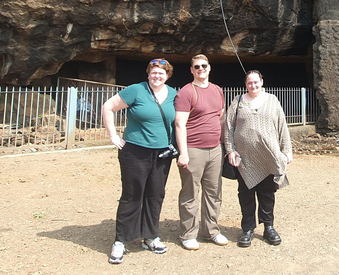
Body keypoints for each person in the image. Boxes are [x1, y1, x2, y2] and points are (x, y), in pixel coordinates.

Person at [102, 59, 178, 264]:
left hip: (162, 153)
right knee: (132, 195)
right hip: (135, 151)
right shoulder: (136, 90)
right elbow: (108, 107)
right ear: (148, 74)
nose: (157, 76)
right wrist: (113, 135)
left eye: (161, 73)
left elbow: (181, 122)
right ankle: (121, 240)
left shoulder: (173, 94)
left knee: (155, 195)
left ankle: (151, 236)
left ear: (168, 75)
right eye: (154, 73)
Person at [225, 70, 292, 248]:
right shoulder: (237, 102)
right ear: (245, 84)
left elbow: (282, 126)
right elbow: (228, 128)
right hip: (245, 159)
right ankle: (247, 229)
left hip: (268, 157)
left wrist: (287, 151)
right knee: (245, 194)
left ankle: (268, 227)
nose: (253, 85)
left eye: (256, 82)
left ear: (262, 81)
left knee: (267, 194)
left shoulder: (272, 100)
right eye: (249, 83)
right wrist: (230, 150)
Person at [173, 54, 228, 250]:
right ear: (191, 70)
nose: (200, 69)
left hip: (215, 149)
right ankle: (188, 234)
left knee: (214, 192)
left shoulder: (218, 90)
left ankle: (211, 230)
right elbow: (180, 123)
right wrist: (183, 152)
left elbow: (220, 117)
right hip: (194, 149)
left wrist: (225, 145)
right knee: (190, 193)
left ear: (209, 67)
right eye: (197, 66)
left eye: (204, 66)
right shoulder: (186, 92)